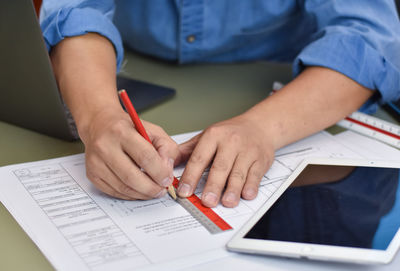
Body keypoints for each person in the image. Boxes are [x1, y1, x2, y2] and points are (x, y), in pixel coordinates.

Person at [39, 1, 400, 208]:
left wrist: (262, 128)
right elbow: (74, 10)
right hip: (130, 65)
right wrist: (99, 116)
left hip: (304, 95)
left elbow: (368, 40)